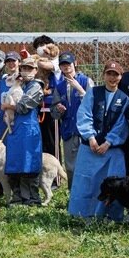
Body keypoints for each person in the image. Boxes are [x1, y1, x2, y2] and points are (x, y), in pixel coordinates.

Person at [67, 61, 129, 221]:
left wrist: (108, 142)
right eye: (109, 74)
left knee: (114, 183)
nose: (112, 78)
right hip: (90, 148)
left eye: (116, 75)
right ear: (104, 75)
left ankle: (111, 216)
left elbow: (122, 124)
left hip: (112, 151)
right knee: (85, 182)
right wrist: (91, 138)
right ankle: (81, 215)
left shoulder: (124, 99)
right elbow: (84, 115)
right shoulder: (93, 93)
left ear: (120, 77)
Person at [1, 58, 46, 205]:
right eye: (24, 68)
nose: (26, 71)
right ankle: (17, 196)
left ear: (35, 70)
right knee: (14, 162)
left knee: (30, 162)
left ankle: (32, 197)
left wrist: (7, 105)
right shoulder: (19, 84)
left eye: (29, 68)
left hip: (29, 130)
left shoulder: (36, 86)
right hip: (14, 129)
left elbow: (23, 106)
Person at [53, 54, 91, 183]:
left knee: (87, 165)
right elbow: (54, 113)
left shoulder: (85, 81)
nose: (66, 66)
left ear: (75, 63)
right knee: (70, 167)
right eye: (63, 64)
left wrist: (80, 89)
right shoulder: (59, 86)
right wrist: (58, 109)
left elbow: (94, 104)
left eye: (68, 63)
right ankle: (73, 196)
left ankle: (88, 196)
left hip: (85, 131)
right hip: (68, 130)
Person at [0, 51, 20, 140]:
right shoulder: (1, 82)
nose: (11, 63)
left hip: (18, 122)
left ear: (19, 62)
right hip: (2, 123)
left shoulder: (23, 81)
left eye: (13, 61)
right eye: (8, 61)